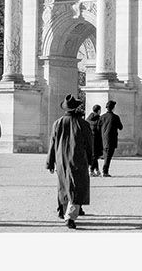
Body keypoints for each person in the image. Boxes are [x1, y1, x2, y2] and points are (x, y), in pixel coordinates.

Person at [46, 94, 94, 229]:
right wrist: (91, 160)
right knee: (77, 188)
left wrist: (50, 162)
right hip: (78, 159)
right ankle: (70, 216)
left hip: (61, 159)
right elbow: (89, 144)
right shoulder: (83, 124)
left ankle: (64, 211)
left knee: (64, 187)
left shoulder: (58, 122)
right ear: (77, 108)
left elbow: (52, 144)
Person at [99, 99, 123, 176]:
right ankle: (105, 171)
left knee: (106, 155)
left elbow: (98, 127)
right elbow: (121, 127)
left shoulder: (102, 117)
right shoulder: (115, 117)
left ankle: (102, 170)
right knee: (108, 156)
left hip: (103, 138)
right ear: (113, 108)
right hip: (111, 139)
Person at [87, 104, 104, 176]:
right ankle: (91, 170)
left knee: (94, 155)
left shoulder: (88, 119)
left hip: (89, 139)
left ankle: (97, 170)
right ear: (99, 110)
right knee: (95, 155)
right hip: (97, 139)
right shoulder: (99, 119)